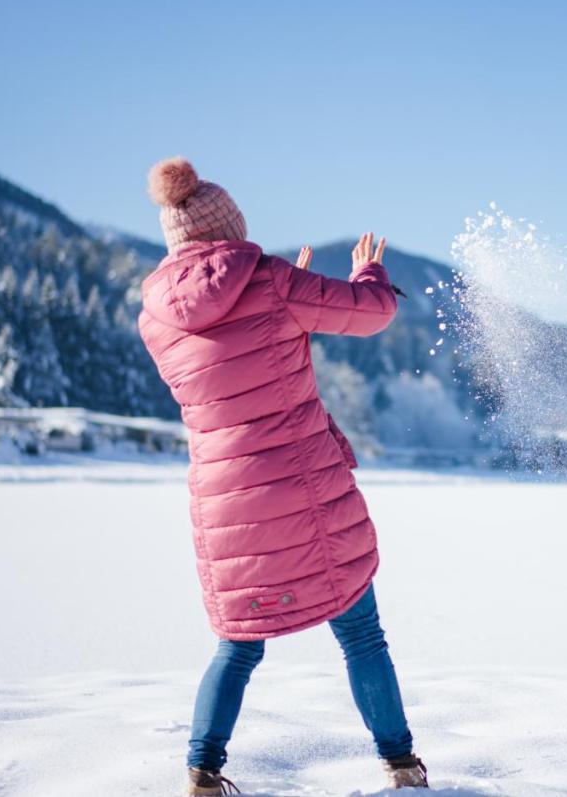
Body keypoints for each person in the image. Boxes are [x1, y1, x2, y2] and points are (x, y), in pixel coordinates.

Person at [137, 157, 428, 794]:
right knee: (360, 632)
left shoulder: (155, 318)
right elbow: (373, 311)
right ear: (230, 226)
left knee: (237, 644)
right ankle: (403, 766)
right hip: (306, 491)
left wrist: (284, 299)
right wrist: (365, 271)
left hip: (225, 504)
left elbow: (234, 362)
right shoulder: (267, 279)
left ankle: (202, 772)